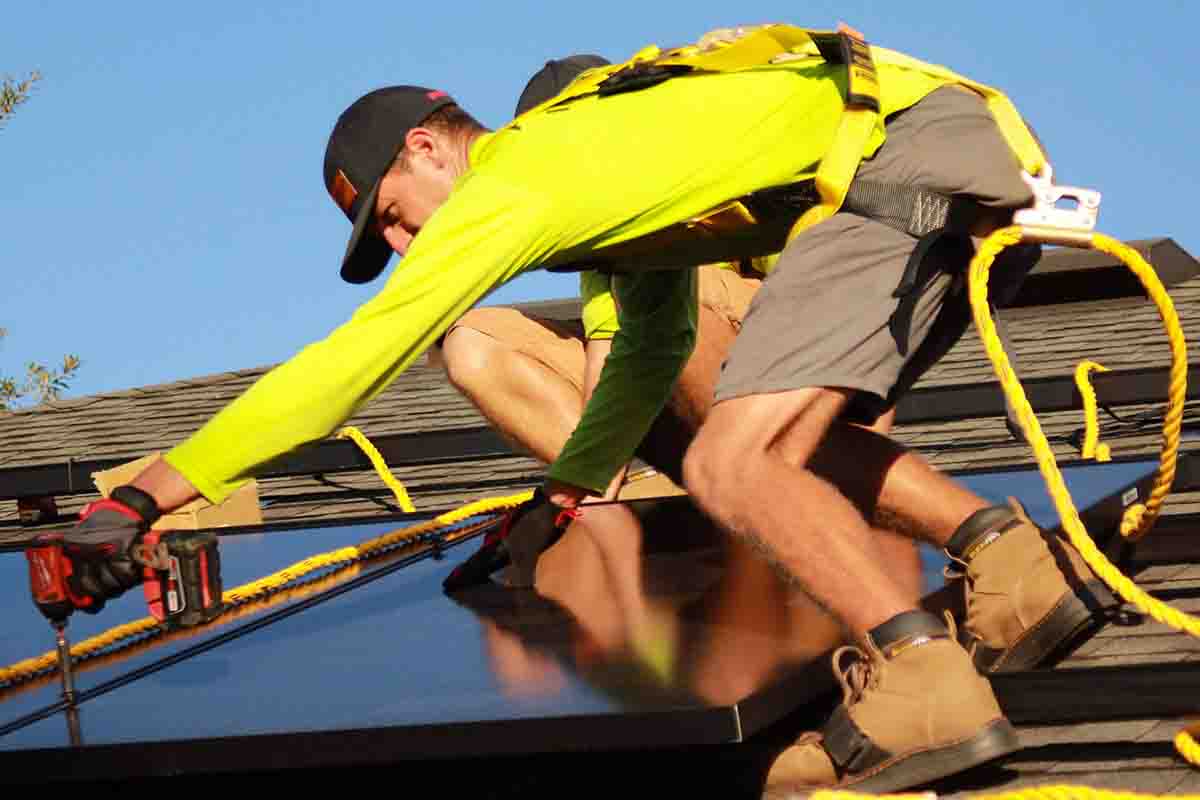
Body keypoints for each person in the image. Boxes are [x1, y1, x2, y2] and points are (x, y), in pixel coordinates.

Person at [50, 23, 1112, 792]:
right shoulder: (600, 183)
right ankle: (1008, 564)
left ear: (428, 147)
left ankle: (923, 677)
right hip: (930, 151)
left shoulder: (517, 178)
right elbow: (648, 347)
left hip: (901, 161)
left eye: (396, 219)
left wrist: (144, 495)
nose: (410, 248)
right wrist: (562, 493)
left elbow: (350, 366)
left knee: (728, 466)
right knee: (763, 437)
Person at [433, 53, 925, 599]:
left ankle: (733, 476)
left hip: (780, 397)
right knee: (474, 341)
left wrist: (857, 482)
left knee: (678, 295)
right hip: (688, 418)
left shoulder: (712, 175)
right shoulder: (600, 219)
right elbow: (608, 354)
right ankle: (661, 484)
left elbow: (852, 323)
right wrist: (574, 503)